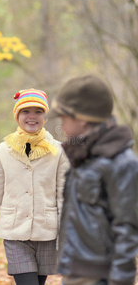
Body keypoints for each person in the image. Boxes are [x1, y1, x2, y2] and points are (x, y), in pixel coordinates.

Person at [0, 88, 69, 285]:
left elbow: (65, 198)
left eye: (38, 111)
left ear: (45, 117)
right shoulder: (3, 151)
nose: (32, 116)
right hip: (15, 234)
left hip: (47, 234)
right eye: (25, 111)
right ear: (17, 115)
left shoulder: (59, 152)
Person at [48, 74, 138, 285]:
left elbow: (128, 228)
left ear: (82, 119)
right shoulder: (84, 155)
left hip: (100, 276)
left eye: (63, 118)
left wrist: (121, 280)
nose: (61, 125)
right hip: (74, 270)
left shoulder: (122, 163)